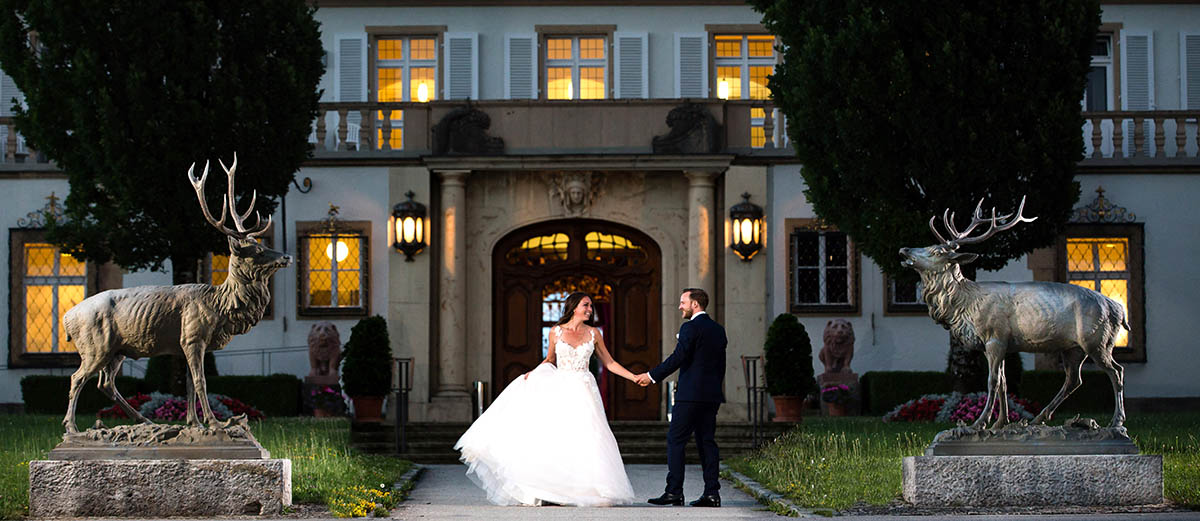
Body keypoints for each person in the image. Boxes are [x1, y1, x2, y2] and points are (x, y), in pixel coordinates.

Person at [454, 292, 639, 506]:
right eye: (586, 305)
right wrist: (532, 374)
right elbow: (550, 359)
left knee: (588, 438)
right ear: (574, 307)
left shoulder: (594, 333)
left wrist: (633, 377)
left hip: (585, 391)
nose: (590, 309)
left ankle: (587, 489)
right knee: (558, 437)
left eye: (590, 306)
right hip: (561, 389)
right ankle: (553, 491)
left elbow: (609, 362)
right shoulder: (556, 332)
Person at [635, 288, 727, 508]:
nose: (679, 306)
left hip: (689, 396)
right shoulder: (718, 330)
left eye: (683, 302)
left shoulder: (690, 327)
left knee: (676, 441)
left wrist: (651, 376)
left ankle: (674, 492)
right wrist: (714, 388)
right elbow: (720, 365)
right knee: (707, 443)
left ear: (695, 304)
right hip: (711, 395)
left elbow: (678, 357)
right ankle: (712, 493)